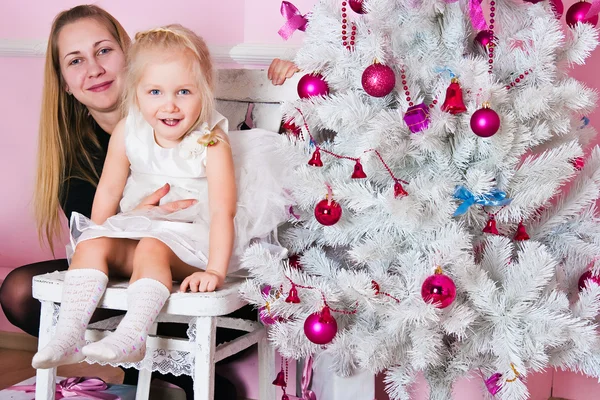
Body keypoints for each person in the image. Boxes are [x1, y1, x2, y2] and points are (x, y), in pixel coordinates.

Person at [0, 5, 282, 399]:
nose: (94, 69)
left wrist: (215, 268)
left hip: (193, 248)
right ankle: (69, 333)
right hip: (134, 253)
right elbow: (102, 213)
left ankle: (148, 353)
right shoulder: (113, 142)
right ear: (64, 81)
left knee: (152, 245)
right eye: (76, 60)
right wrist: (127, 219)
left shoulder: (204, 132)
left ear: (128, 57)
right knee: (94, 245)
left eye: (103, 51)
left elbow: (226, 207)